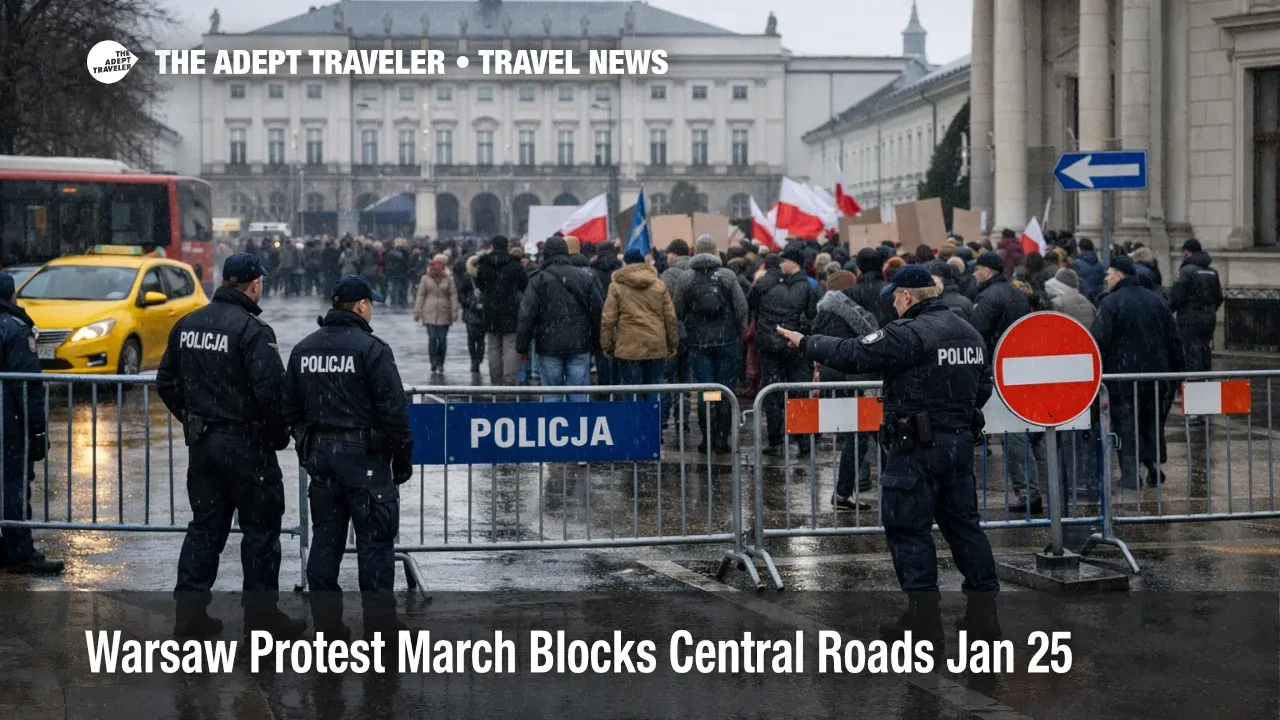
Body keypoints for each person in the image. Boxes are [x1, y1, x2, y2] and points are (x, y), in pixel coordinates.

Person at [776, 265, 1001, 645]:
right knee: (965, 528)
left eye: (895, 297)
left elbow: (852, 354)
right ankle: (984, 615)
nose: (894, 305)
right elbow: (983, 387)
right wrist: (950, 412)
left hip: (915, 448)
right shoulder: (968, 332)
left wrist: (806, 342)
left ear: (907, 296)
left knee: (908, 530)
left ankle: (923, 619)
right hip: (957, 444)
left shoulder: (910, 333)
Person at [156, 254, 305, 640]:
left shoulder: (187, 324)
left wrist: (192, 417)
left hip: (204, 446)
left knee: (205, 528)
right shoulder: (252, 330)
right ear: (254, 284)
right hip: (246, 447)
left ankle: (190, 618)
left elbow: (166, 381)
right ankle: (261, 621)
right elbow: (271, 394)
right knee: (260, 532)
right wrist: (277, 436)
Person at [282, 275, 413, 639]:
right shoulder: (372, 349)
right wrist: (402, 460)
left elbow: (288, 408)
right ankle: (381, 631)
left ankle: (328, 628)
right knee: (375, 546)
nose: (372, 311)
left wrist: (308, 445)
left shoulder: (304, 349)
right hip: (365, 460)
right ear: (360, 306)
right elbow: (395, 413)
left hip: (323, 460)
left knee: (325, 543)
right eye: (370, 304)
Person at [1092, 256, 1185, 490]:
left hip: (1123, 378)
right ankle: (1152, 466)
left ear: (1120, 275)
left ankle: (1131, 475)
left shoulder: (1110, 303)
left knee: (1126, 425)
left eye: (1109, 273)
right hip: (1156, 378)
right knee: (1150, 423)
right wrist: (1179, 372)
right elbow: (1174, 339)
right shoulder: (1156, 300)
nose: (1106, 278)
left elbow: (1098, 340)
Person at [0, 273, 61, 574]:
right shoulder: (15, 328)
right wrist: (37, 428)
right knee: (13, 484)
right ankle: (20, 551)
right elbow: (27, 385)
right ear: (11, 296)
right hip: (8, 423)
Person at [969, 251, 1040, 512]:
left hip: (996, 370)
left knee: (1013, 432)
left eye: (977, 269)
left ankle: (1028, 492)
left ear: (987, 271)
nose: (974, 274)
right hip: (1015, 366)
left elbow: (975, 334)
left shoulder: (988, 297)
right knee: (1019, 431)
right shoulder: (1017, 294)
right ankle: (1031, 490)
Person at [673, 235, 750, 453]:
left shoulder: (686, 277)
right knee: (725, 389)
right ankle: (722, 439)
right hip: (727, 341)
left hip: (699, 343)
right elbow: (741, 307)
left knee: (707, 390)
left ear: (695, 251)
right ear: (716, 251)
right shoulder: (727, 275)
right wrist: (739, 332)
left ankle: (707, 438)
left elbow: (677, 309)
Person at [809, 270, 879, 508]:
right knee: (859, 434)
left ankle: (844, 491)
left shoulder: (825, 311)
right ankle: (845, 491)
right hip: (852, 377)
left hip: (834, 375)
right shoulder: (853, 313)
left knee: (855, 434)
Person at [517, 236, 604, 402]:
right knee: (579, 393)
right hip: (579, 343)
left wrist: (522, 346)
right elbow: (598, 313)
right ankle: (578, 419)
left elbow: (526, 315)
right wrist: (596, 343)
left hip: (548, 344)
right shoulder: (585, 277)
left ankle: (555, 419)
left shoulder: (538, 279)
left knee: (552, 394)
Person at [749, 243, 817, 457]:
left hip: (776, 346)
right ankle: (800, 440)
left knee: (775, 392)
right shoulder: (808, 286)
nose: (780, 264)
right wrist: (798, 336)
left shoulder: (769, 283)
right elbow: (812, 317)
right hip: (792, 346)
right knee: (796, 392)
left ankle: (779, 439)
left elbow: (752, 304)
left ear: (794, 263)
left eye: (784, 260)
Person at [599, 248, 678, 401]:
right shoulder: (659, 285)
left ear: (626, 263)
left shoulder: (616, 286)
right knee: (653, 389)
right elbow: (670, 318)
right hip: (655, 344)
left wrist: (608, 346)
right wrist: (672, 343)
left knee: (631, 392)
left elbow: (608, 320)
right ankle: (653, 417)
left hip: (628, 347)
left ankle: (633, 417)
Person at [474, 236, 528, 385]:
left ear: (492, 246)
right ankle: (509, 380)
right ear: (507, 246)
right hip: (511, 310)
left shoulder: (484, 264)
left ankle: (496, 380)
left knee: (493, 347)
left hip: (491, 310)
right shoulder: (515, 264)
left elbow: (480, 285)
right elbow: (524, 285)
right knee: (510, 347)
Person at [1169, 238, 1223, 373]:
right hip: (1209, 319)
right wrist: (1209, 310)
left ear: (1187, 252)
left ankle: (1194, 381)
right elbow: (1219, 298)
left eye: (1183, 252)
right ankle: (1205, 379)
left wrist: (1168, 310)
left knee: (1191, 353)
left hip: (1189, 319)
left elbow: (1176, 296)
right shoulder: (1212, 272)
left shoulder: (1186, 271)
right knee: (1205, 350)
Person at [413, 253, 458, 375]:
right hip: (429, 313)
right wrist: (417, 311)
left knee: (442, 340)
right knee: (432, 338)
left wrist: (454, 312)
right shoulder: (425, 278)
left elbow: (453, 296)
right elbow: (421, 295)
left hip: (444, 313)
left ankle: (441, 363)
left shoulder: (448, 279)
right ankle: (433, 361)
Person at [457, 254, 487, 374]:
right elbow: (461, 293)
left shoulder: (484, 276)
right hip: (471, 312)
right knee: (472, 339)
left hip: (481, 312)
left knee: (480, 339)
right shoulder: (467, 277)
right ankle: (474, 360)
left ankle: (478, 358)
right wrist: (468, 302)